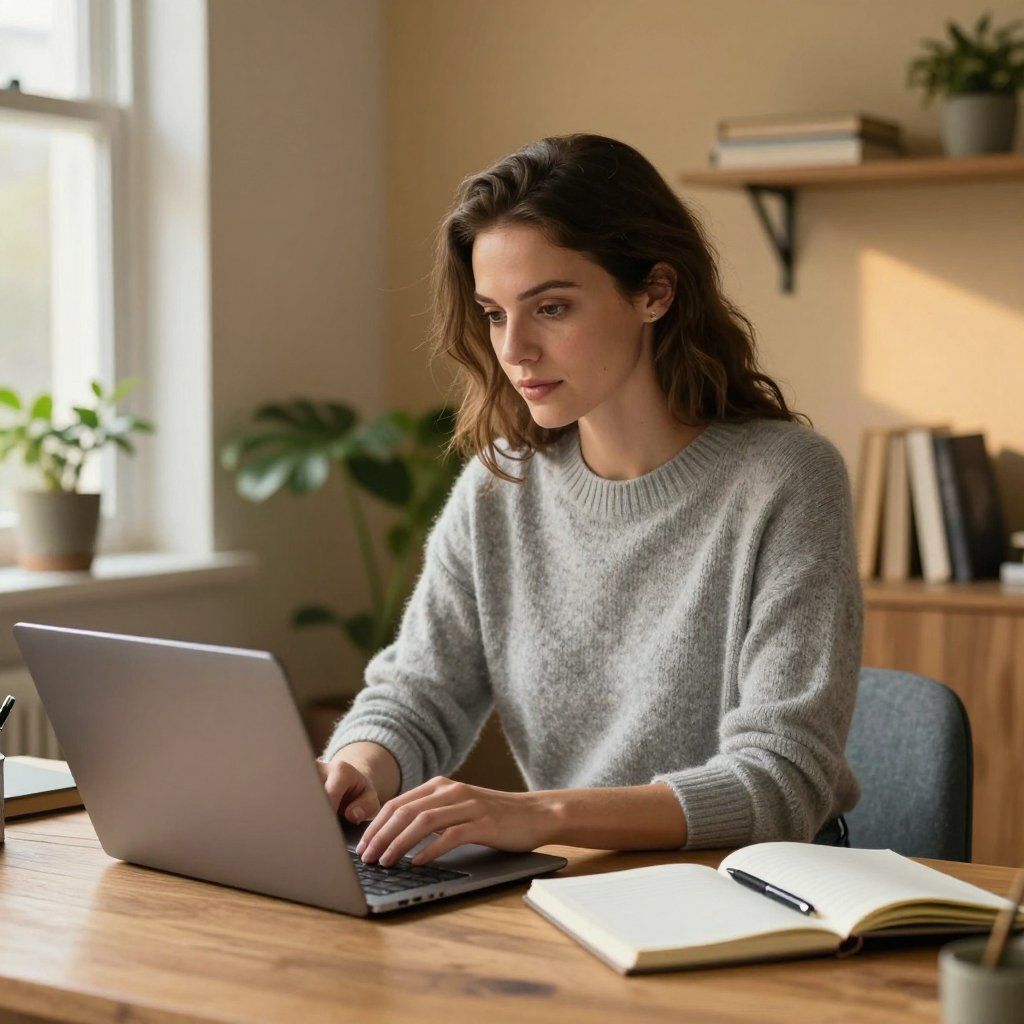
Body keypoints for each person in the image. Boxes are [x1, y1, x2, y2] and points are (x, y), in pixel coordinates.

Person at [315, 132, 860, 869]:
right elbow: (419, 691)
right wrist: (358, 764)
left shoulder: (787, 481)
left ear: (654, 293)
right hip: (579, 882)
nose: (515, 350)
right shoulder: (499, 486)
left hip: (754, 884)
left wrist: (538, 814)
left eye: (551, 308)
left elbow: (780, 781)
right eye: (495, 313)